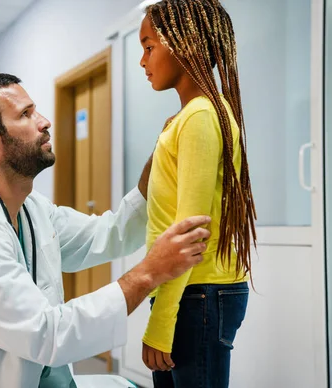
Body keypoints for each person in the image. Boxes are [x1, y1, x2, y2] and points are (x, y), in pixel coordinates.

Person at [0, 73, 212, 388]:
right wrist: (148, 274)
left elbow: (108, 235)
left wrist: (155, 173)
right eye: (26, 114)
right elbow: (47, 334)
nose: (44, 121)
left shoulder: (31, 209)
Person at [138, 1, 257, 387]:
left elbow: (190, 233)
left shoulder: (201, 116)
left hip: (199, 295)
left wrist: (160, 321)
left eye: (149, 46)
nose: (143, 60)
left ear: (183, 43)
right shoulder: (192, 116)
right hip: (190, 292)